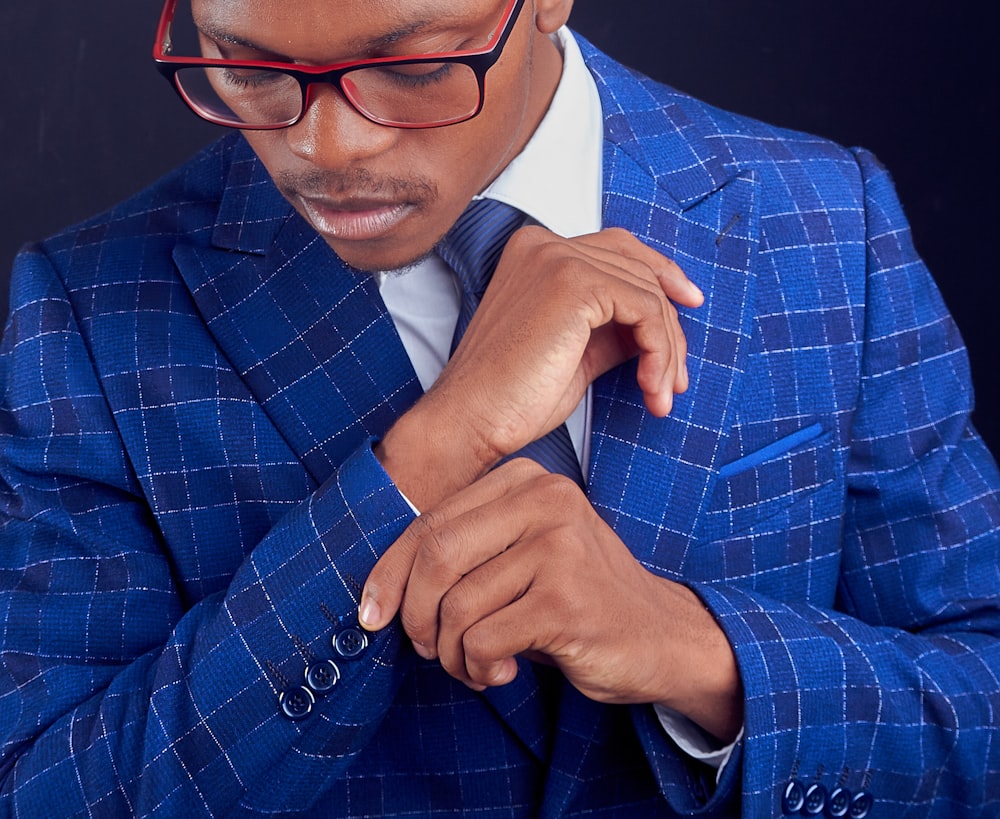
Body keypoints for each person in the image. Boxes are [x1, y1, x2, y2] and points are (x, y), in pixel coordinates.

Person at [0, 0, 996, 815]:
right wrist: (430, 454)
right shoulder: (89, 310)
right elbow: (46, 794)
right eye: (247, 66)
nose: (327, 149)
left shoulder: (824, 220)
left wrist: (693, 650)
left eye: (414, 65)